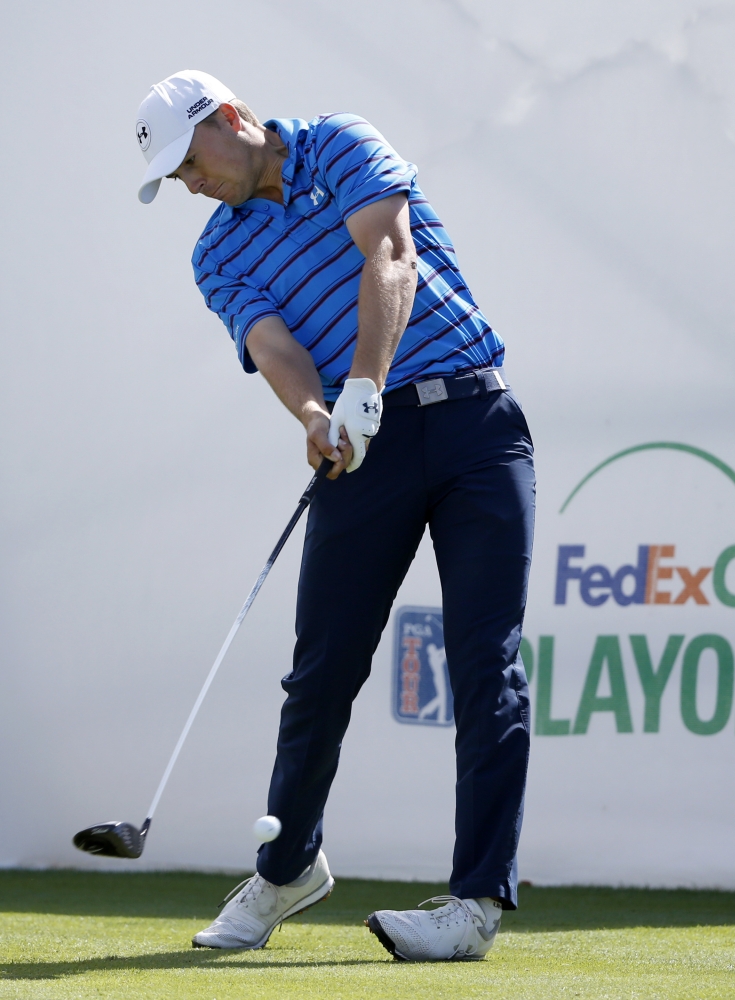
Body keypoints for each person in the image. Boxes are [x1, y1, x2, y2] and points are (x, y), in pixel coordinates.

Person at [134, 70, 535, 962]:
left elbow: (389, 255)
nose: (188, 185)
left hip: (475, 424)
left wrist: (362, 386)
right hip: (362, 447)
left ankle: (474, 905)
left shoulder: (340, 140)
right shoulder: (216, 254)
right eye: (173, 178)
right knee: (320, 673)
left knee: (485, 665)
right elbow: (271, 343)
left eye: (188, 162)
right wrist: (316, 415)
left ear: (231, 118)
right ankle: (287, 868)